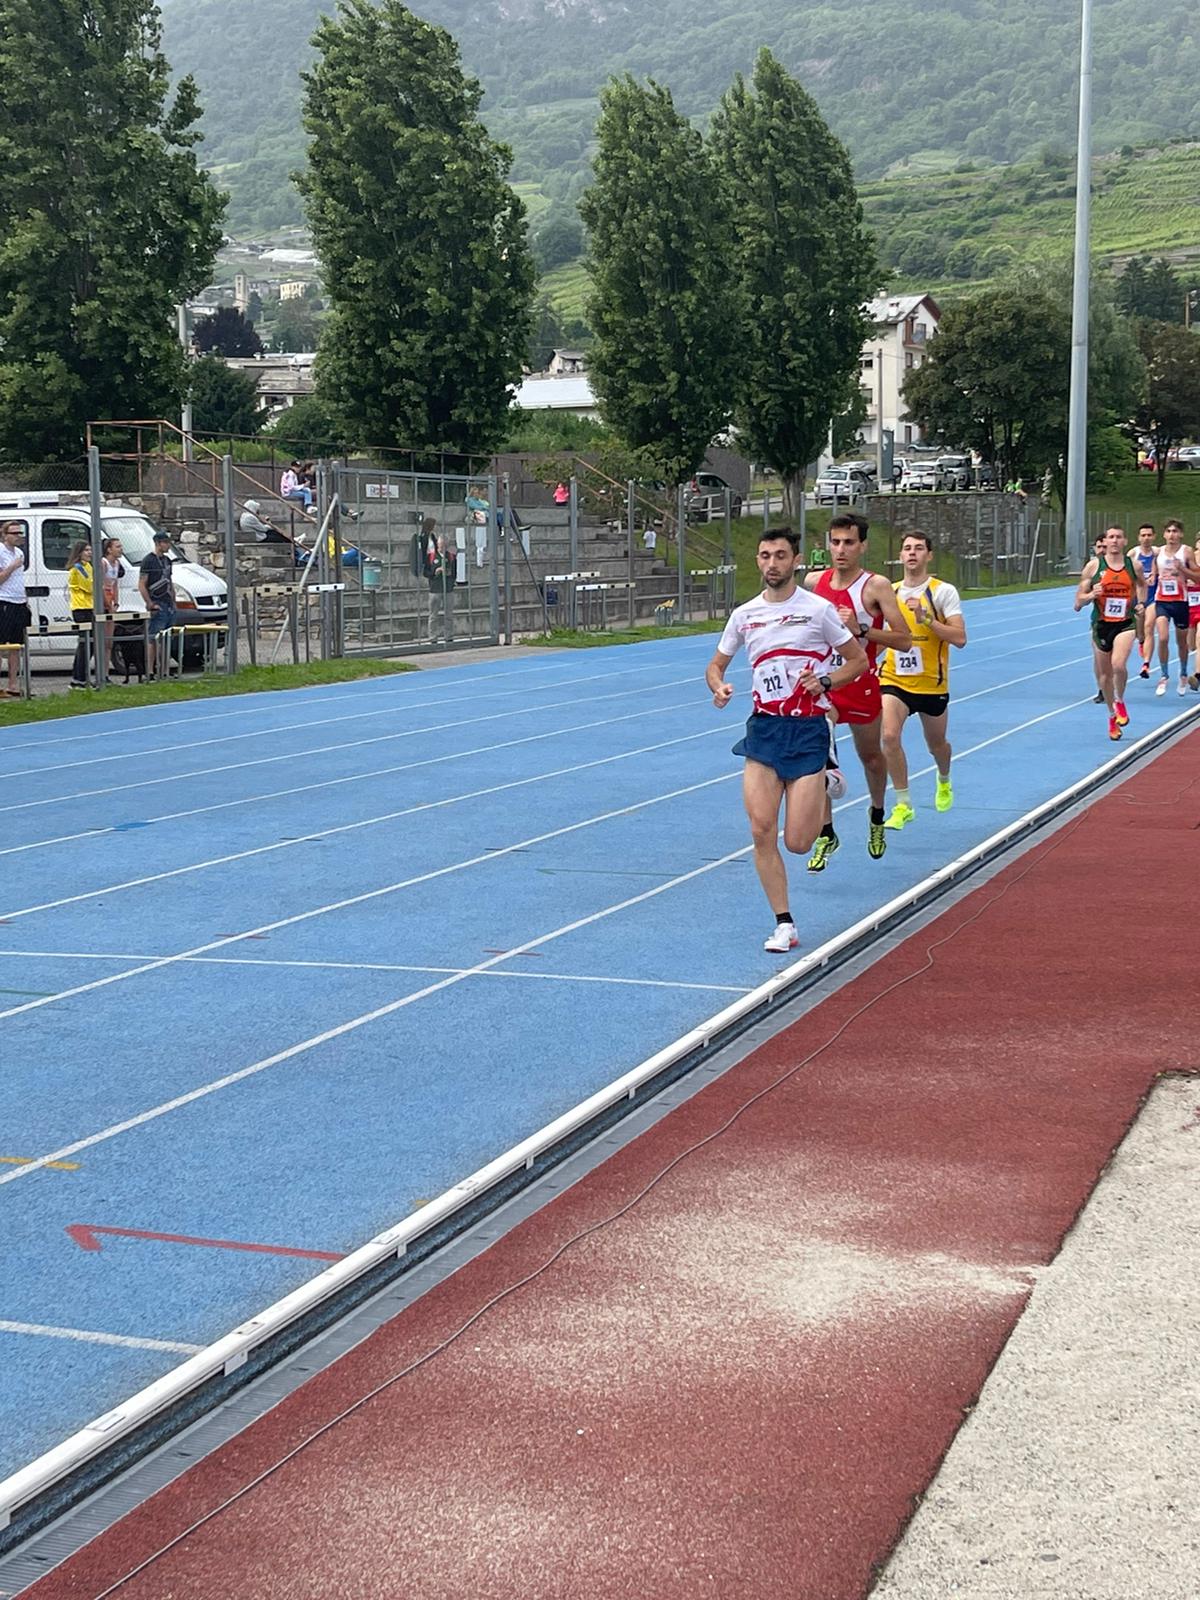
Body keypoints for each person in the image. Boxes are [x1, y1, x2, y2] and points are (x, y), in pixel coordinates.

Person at [706, 528, 868, 954]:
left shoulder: (817, 610)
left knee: (797, 842)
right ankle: (784, 923)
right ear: (757, 561)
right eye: (764, 556)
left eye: (780, 555)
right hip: (764, 729)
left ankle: (828, 775)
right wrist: (719, 686)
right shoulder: (744, 615)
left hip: (808, 728)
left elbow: (858, 660)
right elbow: (716, 665)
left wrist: (827, 681)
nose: (771, 563)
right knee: (761, 829)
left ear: (796, 560)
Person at [802, 511, 912, 869]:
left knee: (871, 758)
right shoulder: (813, 582)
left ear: (862, 545)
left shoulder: (875, 586)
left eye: (849, 542)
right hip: (824, 686)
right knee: (819, 755)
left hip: (861, 684)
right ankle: (826, 832)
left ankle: (877, 815)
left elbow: (904, 641)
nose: (841, 549)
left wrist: (863, 631)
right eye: (835, 542)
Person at [880, 529, 968, 828]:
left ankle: (944, 778)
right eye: (907, 548)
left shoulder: (943, 592)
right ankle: (903, 804)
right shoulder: (888, 593)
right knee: (889, 736)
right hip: (895, 679)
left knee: (937, 745)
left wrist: (927, 620)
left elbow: (960, 638)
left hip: (932, 683)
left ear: (929, 555)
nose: (912, 553)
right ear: (901, 556)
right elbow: (883, 638)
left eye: (919, 548)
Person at [1074, 525, 1145, 741]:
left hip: (1125, 622)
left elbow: (1142, 585)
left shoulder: (1134, 565)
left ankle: (1120, 699)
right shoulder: (1093, 567)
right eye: (1110, 537)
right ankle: (1112, 715)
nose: (1114, 541)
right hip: (1101, 624)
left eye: (1118, 537)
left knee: (1118, 665)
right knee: (1104, 676)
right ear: (1105, 542)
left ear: (1124, 541)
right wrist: (1090, 595)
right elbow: (1077, 602)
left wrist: (1141, 602)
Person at [1149, 519, 1192, 696]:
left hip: (1181, 601)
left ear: (1181, 534)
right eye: (1169, 531)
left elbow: (1197, 576)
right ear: (1164, 534)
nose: (1172, 535)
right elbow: (1153, 574)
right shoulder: (1158, 553)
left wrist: (1182, 570)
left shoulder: (1186, 551)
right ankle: (1164, 675)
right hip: (1162, 601)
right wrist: (1151, 578)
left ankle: (1182, 673)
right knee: (1164, 637)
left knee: (1182, 642)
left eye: (1175, 531)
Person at [138, 530, 177, 677]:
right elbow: (142, 583)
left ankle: (165, 670)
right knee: (153, 638)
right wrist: (149, 603)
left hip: (168, 603)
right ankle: (150, 670)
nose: (168, 545)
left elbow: (170, 581)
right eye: (165, 542)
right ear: (158, 543)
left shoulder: (167, 561)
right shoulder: (148, 560)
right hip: (157, 601)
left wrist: (173, 600)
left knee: (166, 639)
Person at [0, 520, 28, 698]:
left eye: (20, 533)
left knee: (16, 645)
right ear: (5, 535)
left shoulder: (19, 552)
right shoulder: (1, 552)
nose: (18, 536)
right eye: (14, 533)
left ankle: (13, 683)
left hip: (19, 601)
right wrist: (12, 566)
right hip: (4, 601)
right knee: (1, 644)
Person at [66, 539, 96, 690]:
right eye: (86, 550)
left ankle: (82, 677)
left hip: (90, 606)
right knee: (84, 643)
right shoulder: (77, 568)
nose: (89, 553)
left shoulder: (88, 566)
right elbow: (89, 586)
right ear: (79, 553)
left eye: (90, 550)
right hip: (81, 608)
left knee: (90, 644)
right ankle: (78, 678)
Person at [1130, 523, 1158, 679]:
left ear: (1154, 536)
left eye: (1149, 535)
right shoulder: (1134, 554)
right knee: (1140, 632)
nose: (1146, 538)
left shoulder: (1158, 552)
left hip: (1154, 597)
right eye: (1143, 535)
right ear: (1139, 537)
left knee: (1149, 627)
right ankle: (1141, 641)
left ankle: (1146, 664)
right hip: (1138, 598)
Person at [425, 526, 457, 644]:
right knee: (433, 615)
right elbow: (425, 572)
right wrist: (435, 572)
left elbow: (455, 572)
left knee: (449, 614)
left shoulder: (451, 557)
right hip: (435, 589)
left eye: (444, 545)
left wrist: (451, 579)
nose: (441, 547)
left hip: (448, 589)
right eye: (440, 545)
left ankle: (448, 636)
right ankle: (433, 637)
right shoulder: (431, 556)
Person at [240, 498, 308, 553]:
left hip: (258, 534)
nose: (258, 511)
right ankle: (294, 541)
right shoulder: (250, 517)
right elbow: (263, 529)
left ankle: (293, 540)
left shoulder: (245, 515)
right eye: (257, 510)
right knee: (277, 536)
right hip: (259, 537)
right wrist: (269, 524)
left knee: (276, 532)